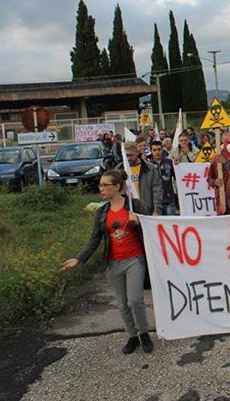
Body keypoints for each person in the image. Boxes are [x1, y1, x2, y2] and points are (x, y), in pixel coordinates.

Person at [61, 170, 154, 354]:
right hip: (113, 263)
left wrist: (138, 223)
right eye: (100, 185)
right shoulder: (102, 211)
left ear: (117, 187)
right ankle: (132, 335)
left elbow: (152, 228)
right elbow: (94, 239)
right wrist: (78, 259)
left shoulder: (134, 206)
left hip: (135, 259)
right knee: (121, 303)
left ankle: (144, 333)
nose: (101, 189)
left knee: (135, 299)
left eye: (105, 185)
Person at [117, 142, 163, 216]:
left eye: (130, 155)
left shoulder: (150, 168)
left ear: (137, 153)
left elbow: (157, 190)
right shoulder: (119, 169)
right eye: (126, 156)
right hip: (127, 211)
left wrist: (157, 211)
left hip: (146, 210)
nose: (128, 158)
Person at [147, 141, 178, 215]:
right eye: (154, 150)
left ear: (162, 150)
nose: (157, 152)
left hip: (169, 199)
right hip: (154, 202)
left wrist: (178, 165)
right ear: (151, 151)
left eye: (159, 149)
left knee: (171, 224)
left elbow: (178, 177)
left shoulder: (170, 162)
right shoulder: (147, 165)